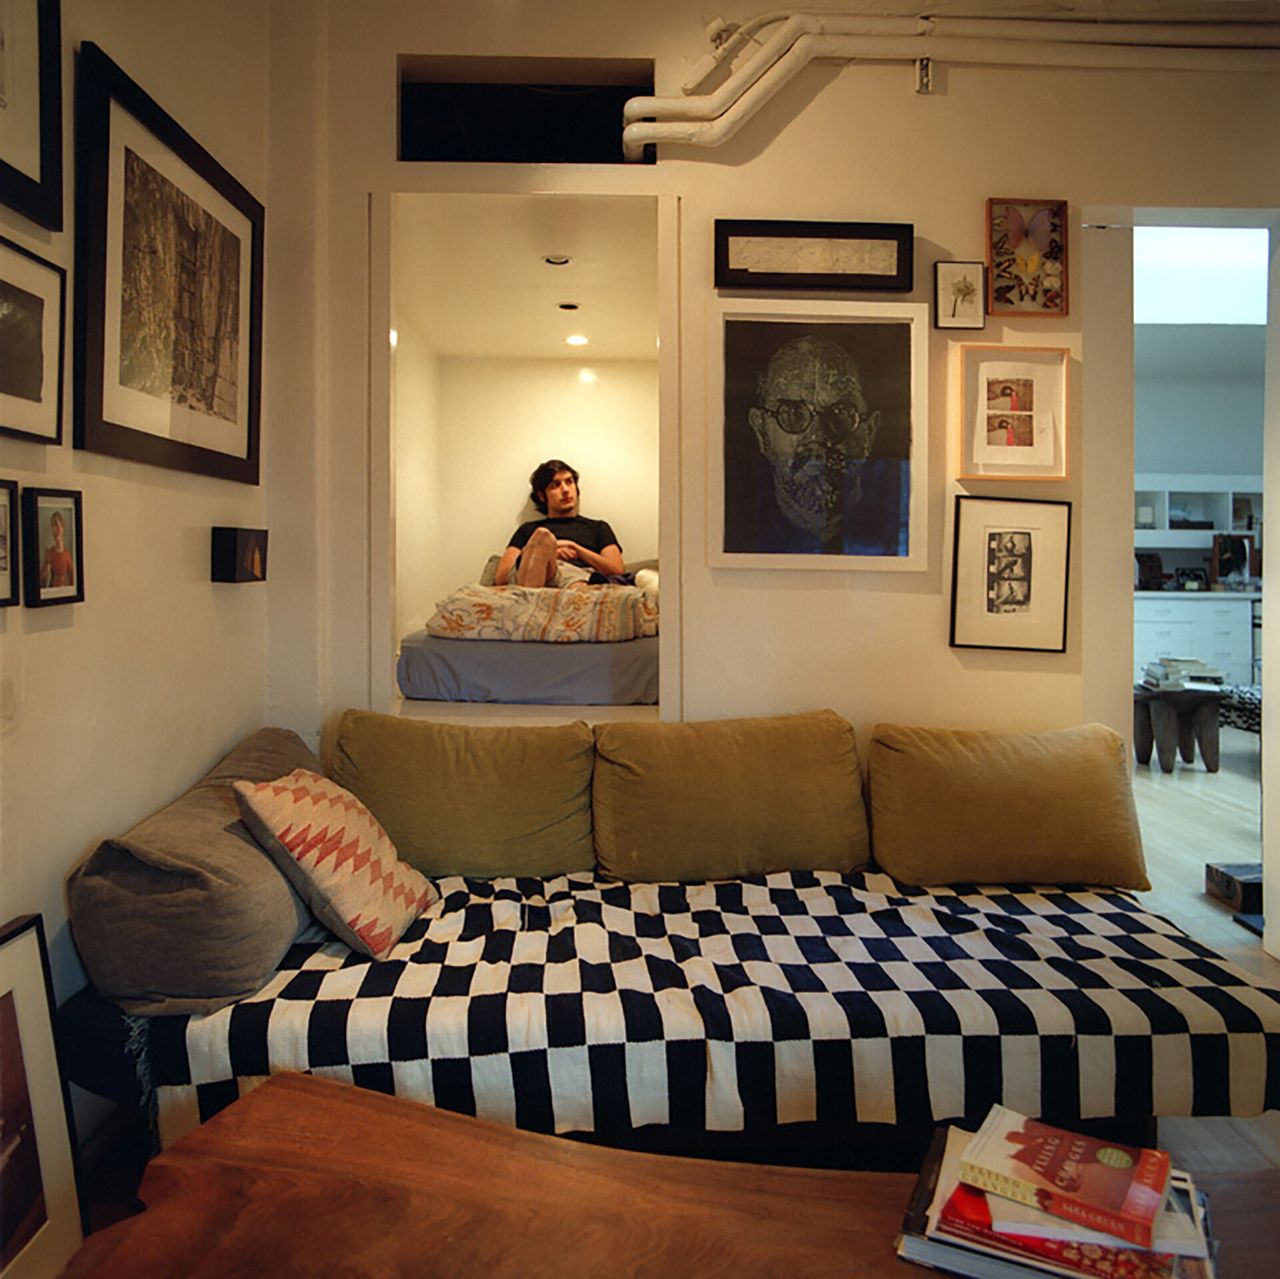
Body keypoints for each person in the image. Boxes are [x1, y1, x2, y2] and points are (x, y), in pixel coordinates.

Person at [494, 460, 624, 587]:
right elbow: (501, 577)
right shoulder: (528, 530)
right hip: (539, 575)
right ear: (541, 496)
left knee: (575, 580)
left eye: (569, 482)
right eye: (555, 485)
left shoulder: (598, 527)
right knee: (542, 536)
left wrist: (575, 548)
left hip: (579, 576)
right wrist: (549, 553)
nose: (565, 490)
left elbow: (617, 570)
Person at [40, 510, 74, 589]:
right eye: (52, 526)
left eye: (56, 525)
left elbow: (73, 580)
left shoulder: (67, 554)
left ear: (62, 527)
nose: (54, 529)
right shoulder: (49, 553)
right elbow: (43, 584)